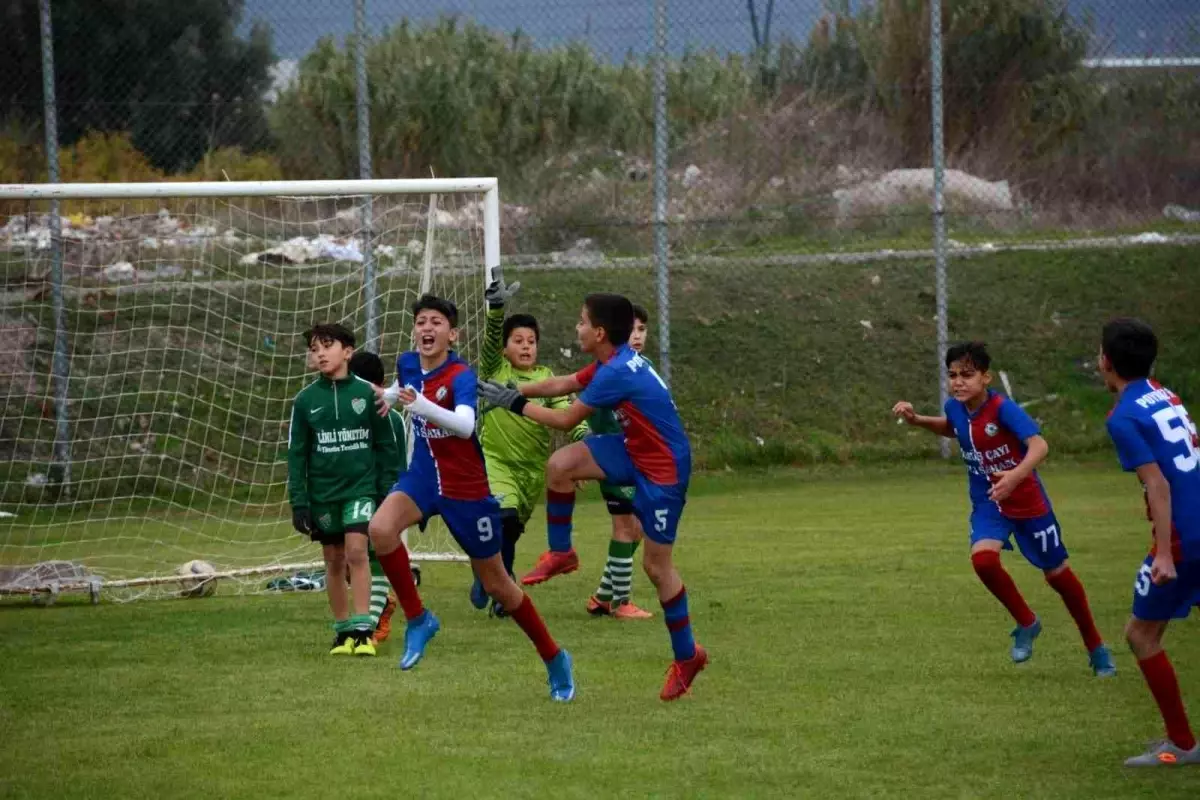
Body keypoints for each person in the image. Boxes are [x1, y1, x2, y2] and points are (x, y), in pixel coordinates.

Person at [478, 293, 707, 700]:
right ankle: (563, 553)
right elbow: (563, 384)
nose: (577, 328)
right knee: (561, 466)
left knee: (657, 568)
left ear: (599, 332)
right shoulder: (609, 361)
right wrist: (515, 387)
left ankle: (687, 655)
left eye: (582, 322)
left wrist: (514, 403)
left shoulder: (617, 371)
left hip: (664, 469)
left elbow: (565, 417)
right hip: (634, 449)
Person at [366, 294, 575, 702]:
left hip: (466, 488)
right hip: (424, 477)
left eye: (436, 323)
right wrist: (387, 397)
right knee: (380, 529)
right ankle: (419, 619)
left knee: (499, 585)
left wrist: (420, 404)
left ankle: (554, 657)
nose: (427, 329)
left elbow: (464, 425)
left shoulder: (461, 374)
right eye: (422, 322)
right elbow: (403, 388)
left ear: (452, 333)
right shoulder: (408, 362)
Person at [893, 341, 1115, 675]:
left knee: (1058, 577)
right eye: (953, 375)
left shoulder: (1003, 409)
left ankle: (1096, 647)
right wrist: (917, 420)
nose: (958, 382)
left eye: (967, 374)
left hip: (1027, 501)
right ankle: (1027, 622)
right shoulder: (955, 407)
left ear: (986, 377)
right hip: (989, 501)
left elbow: (1040, 446)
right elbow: (953, 428)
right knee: (983, 560)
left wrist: (1014, 477)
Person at [1100, 317, 1200, 766]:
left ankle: (1181, 743)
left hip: (1185, 534)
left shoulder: (1123, 416)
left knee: (1141, 634)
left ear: (1106, 362)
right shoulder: (1165, 393)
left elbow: (1157, 485)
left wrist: (1163, 553)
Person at [520, 304, 655, 620]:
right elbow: (572, 409)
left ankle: (604, 596)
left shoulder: (633, 365)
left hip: (636, 456)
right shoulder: (612, 370)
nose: (636, 336)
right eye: (631, 329)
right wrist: (586, 459)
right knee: (627, 527)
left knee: (637, 527)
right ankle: (617, 601)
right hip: (622, 457)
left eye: (642, 330)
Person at [473, 270, 582, 616]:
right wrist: (495, 312)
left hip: (531, 471)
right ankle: (504, 594)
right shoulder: (495, 370)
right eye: (517, 340)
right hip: (495, 461)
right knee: (502, 518)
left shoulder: (547, 379)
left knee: (511, 533)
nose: (525, 346)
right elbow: (490, 342)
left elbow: (569, 412)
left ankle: (489, 577)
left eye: (531, 341)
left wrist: (586, 446)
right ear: (505, 348)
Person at [287, 323, 400, 656]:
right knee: (334, 560)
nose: (320, 353)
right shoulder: (305, 401)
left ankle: (365, 629)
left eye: (327, 345)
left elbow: (386, 447)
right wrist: (299, 502)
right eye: (314, 348)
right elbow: (296, 454)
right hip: (323, 495)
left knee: (356, 552)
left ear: (348, 351)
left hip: (361, 491)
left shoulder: (368, 394)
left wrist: (386, 493)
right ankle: (343, 632)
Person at [347, 350, 405, 643]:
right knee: (348, 559)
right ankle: (381, 604)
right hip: (348, 494)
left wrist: (397, 496)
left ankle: (367, 626)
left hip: (382, 495)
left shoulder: (392, 419)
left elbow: (399, 463)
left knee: (372, 555)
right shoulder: (340, 415)